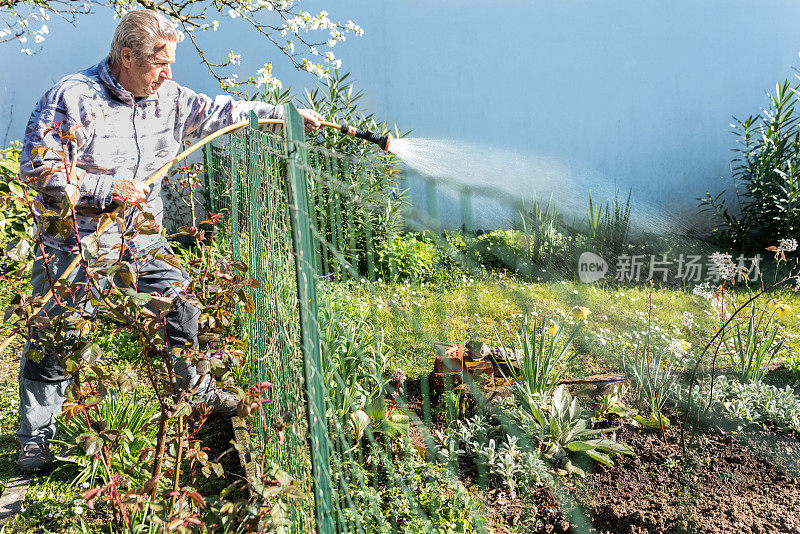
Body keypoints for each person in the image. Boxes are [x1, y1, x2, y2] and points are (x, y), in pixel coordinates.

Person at [16, 9, 324, 474]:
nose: (168, 74)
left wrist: (284, 116)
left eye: (171, 64)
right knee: (57, 336)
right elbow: (40, 170)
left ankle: (190, 387)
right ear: (126, 57)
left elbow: (224, 114)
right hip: (76, 241)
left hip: (138, 239)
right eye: (159, 63)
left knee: (179, 298)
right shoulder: (73, 97)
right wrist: (106, 188)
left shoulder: (170, 99)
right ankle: (37, 438)